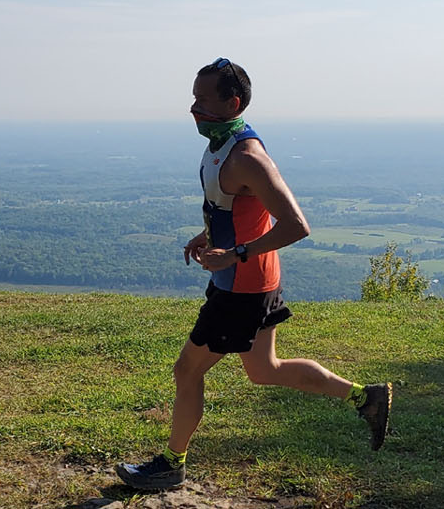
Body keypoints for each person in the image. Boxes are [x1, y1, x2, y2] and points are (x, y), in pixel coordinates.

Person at [115, 58, 392, 491]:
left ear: (233, 102)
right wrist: (206, 236)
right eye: (193, 98)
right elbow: (235, 210)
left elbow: (296, 225)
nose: (193, 108)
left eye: (203, 100)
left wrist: (235, 254)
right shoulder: (220, 145)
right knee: (265, 369)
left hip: (243, 288)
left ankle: (172, 464)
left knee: (187, 371)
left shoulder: (248, 157)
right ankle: (365, 396)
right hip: (249, 281)